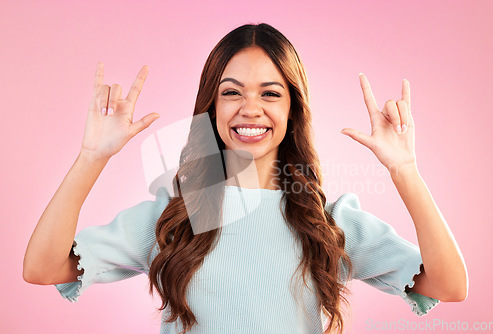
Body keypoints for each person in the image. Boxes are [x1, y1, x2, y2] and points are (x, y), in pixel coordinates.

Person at [23, 23, 468, 334]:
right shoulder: (174, 217)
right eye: (231, 91)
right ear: (211, 107)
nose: (250, 108)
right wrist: (91, 156)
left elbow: (449, 286)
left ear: (292, 108)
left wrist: (405, 171)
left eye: (270, 93)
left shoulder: (329, 223)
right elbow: (42, 268)